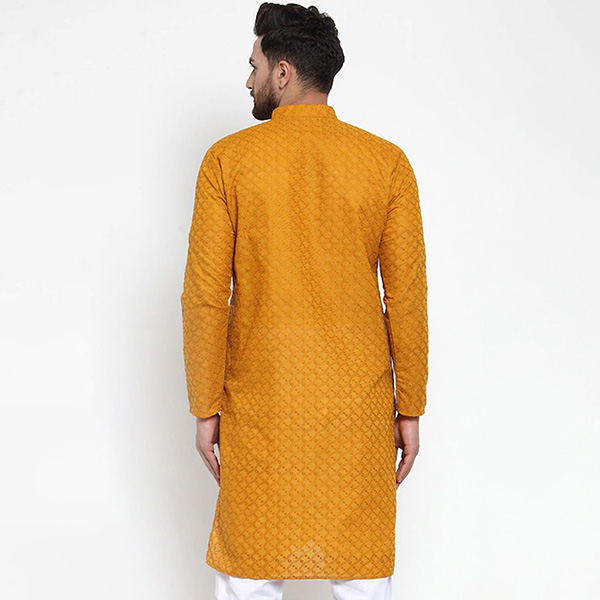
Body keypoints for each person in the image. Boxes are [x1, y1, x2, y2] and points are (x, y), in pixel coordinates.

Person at [180, 3, 429, 599]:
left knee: (247, 575)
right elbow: (407, 297)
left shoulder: (228, 160)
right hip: (358, 413)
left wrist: (205, 406)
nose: (249, 80)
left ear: (283, 72)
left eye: (254, 65)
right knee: (361, 575)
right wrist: (411, 406)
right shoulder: (386, 163)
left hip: (261, 408)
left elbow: (206, 296)